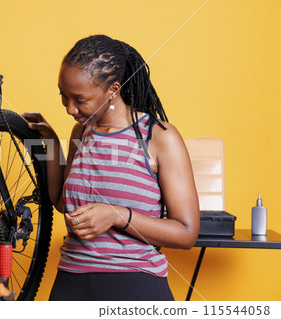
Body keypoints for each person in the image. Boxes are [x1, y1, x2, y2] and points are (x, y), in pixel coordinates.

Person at [22, 34, 199, 301]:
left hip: (135, 288)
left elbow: (186, 233)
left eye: (80, 100)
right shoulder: (81, 132)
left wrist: (117, 215)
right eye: (63, 96)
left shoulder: (160, 137)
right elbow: (61, 202)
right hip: (70, 284)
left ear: (113, 90)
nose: (70, 108)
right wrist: (50, 143)